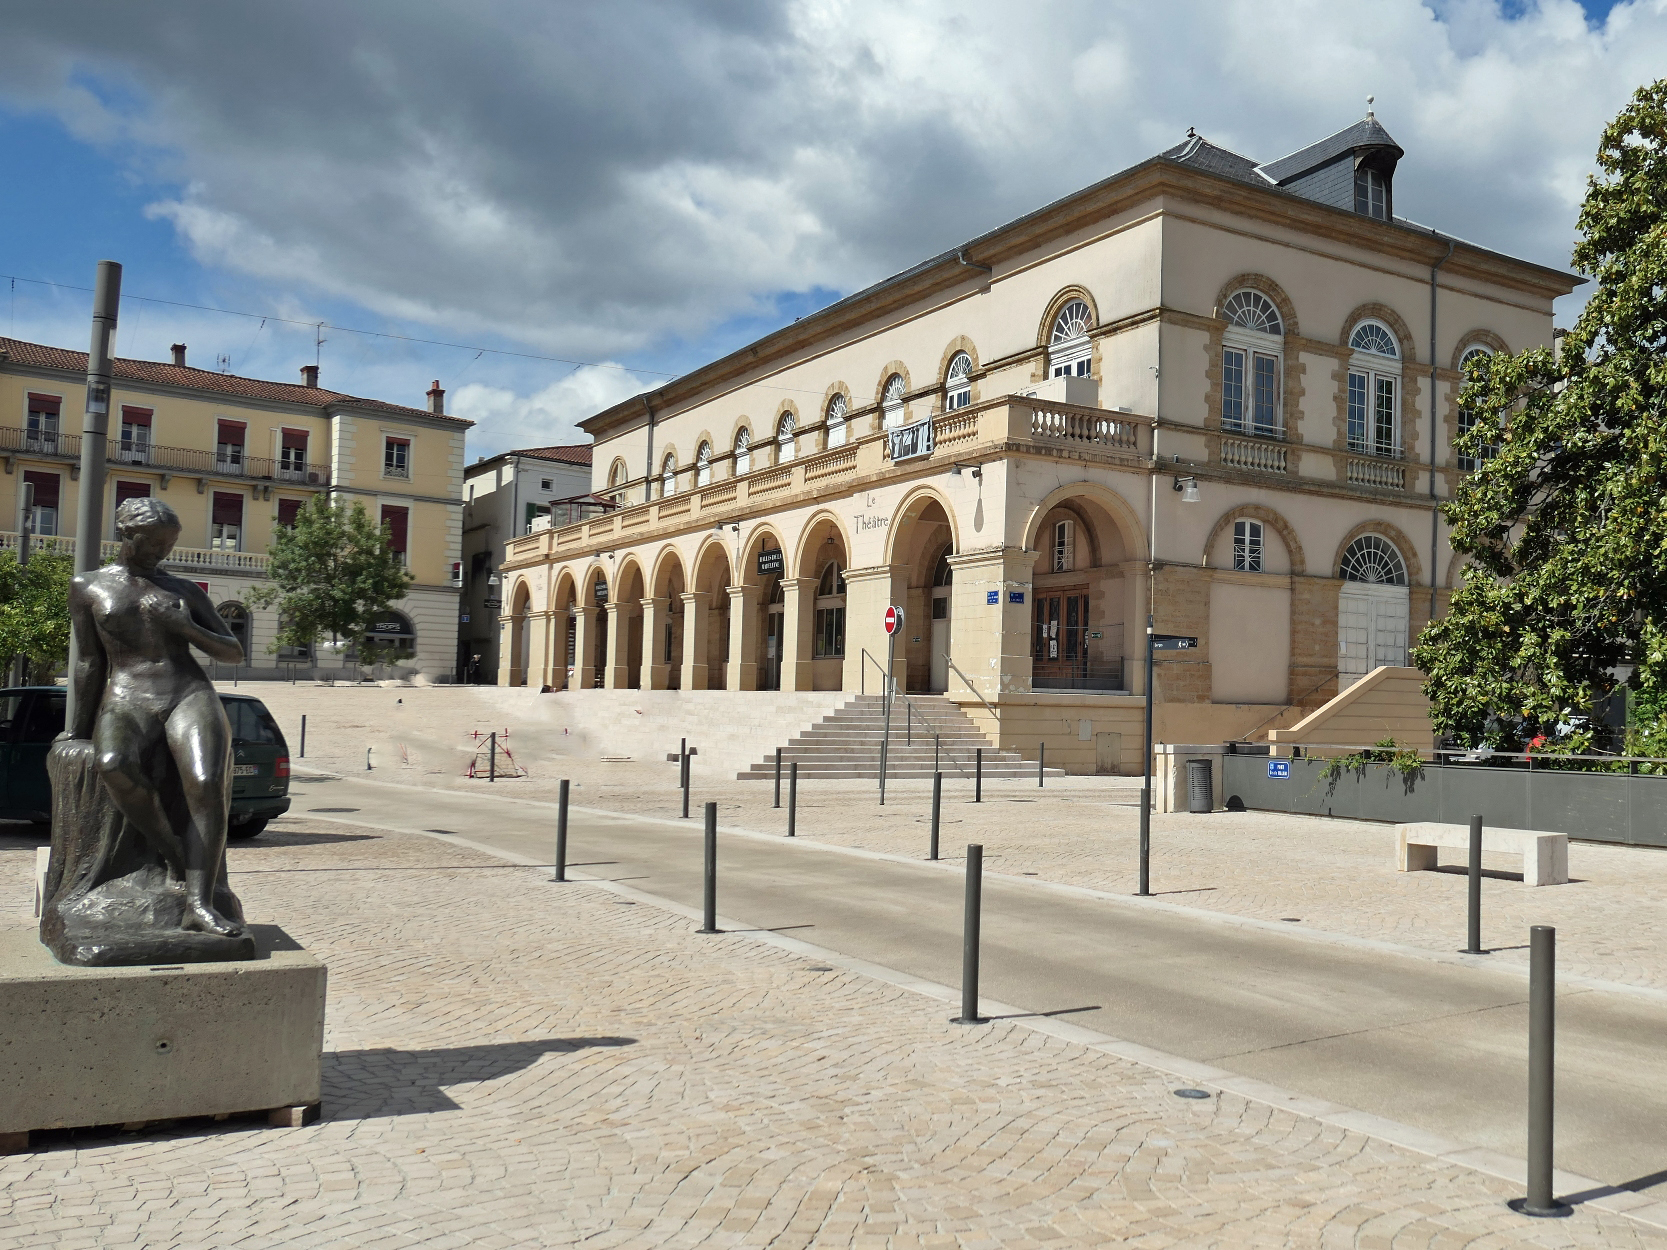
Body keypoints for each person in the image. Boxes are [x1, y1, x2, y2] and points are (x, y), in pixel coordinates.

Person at [68, 497, 247, 937]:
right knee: (112, 764)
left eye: (168, 546)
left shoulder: (184, 591)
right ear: (126, 534)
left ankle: (200, 904)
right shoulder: (88, 586)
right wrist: (76, 728)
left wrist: (184, 626)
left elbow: (233, 653)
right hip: (126, 696)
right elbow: (89, 662)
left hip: (187, 692)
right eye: (153, 544)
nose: (160, 554)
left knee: (205, 783)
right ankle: (177, 856)